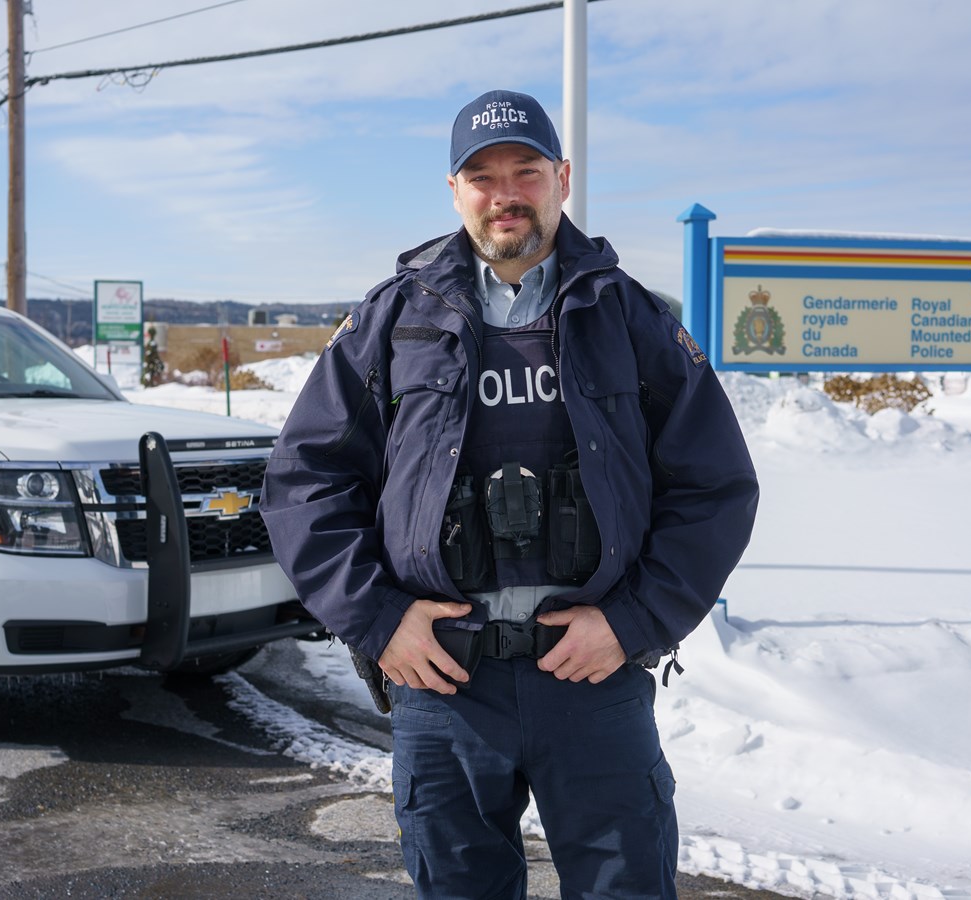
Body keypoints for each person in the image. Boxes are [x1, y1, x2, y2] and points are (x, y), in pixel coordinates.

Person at [261, 89, 759, 899]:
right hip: (443, 685)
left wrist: (633, 622)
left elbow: (716, 487)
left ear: (561, 178)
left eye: (525, 170)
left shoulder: (629, 319)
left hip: (593, 680)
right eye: (482, 176)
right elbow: (305, 483)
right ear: (454, 192)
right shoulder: (393, 321)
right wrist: (381, 621)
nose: (506, 194)